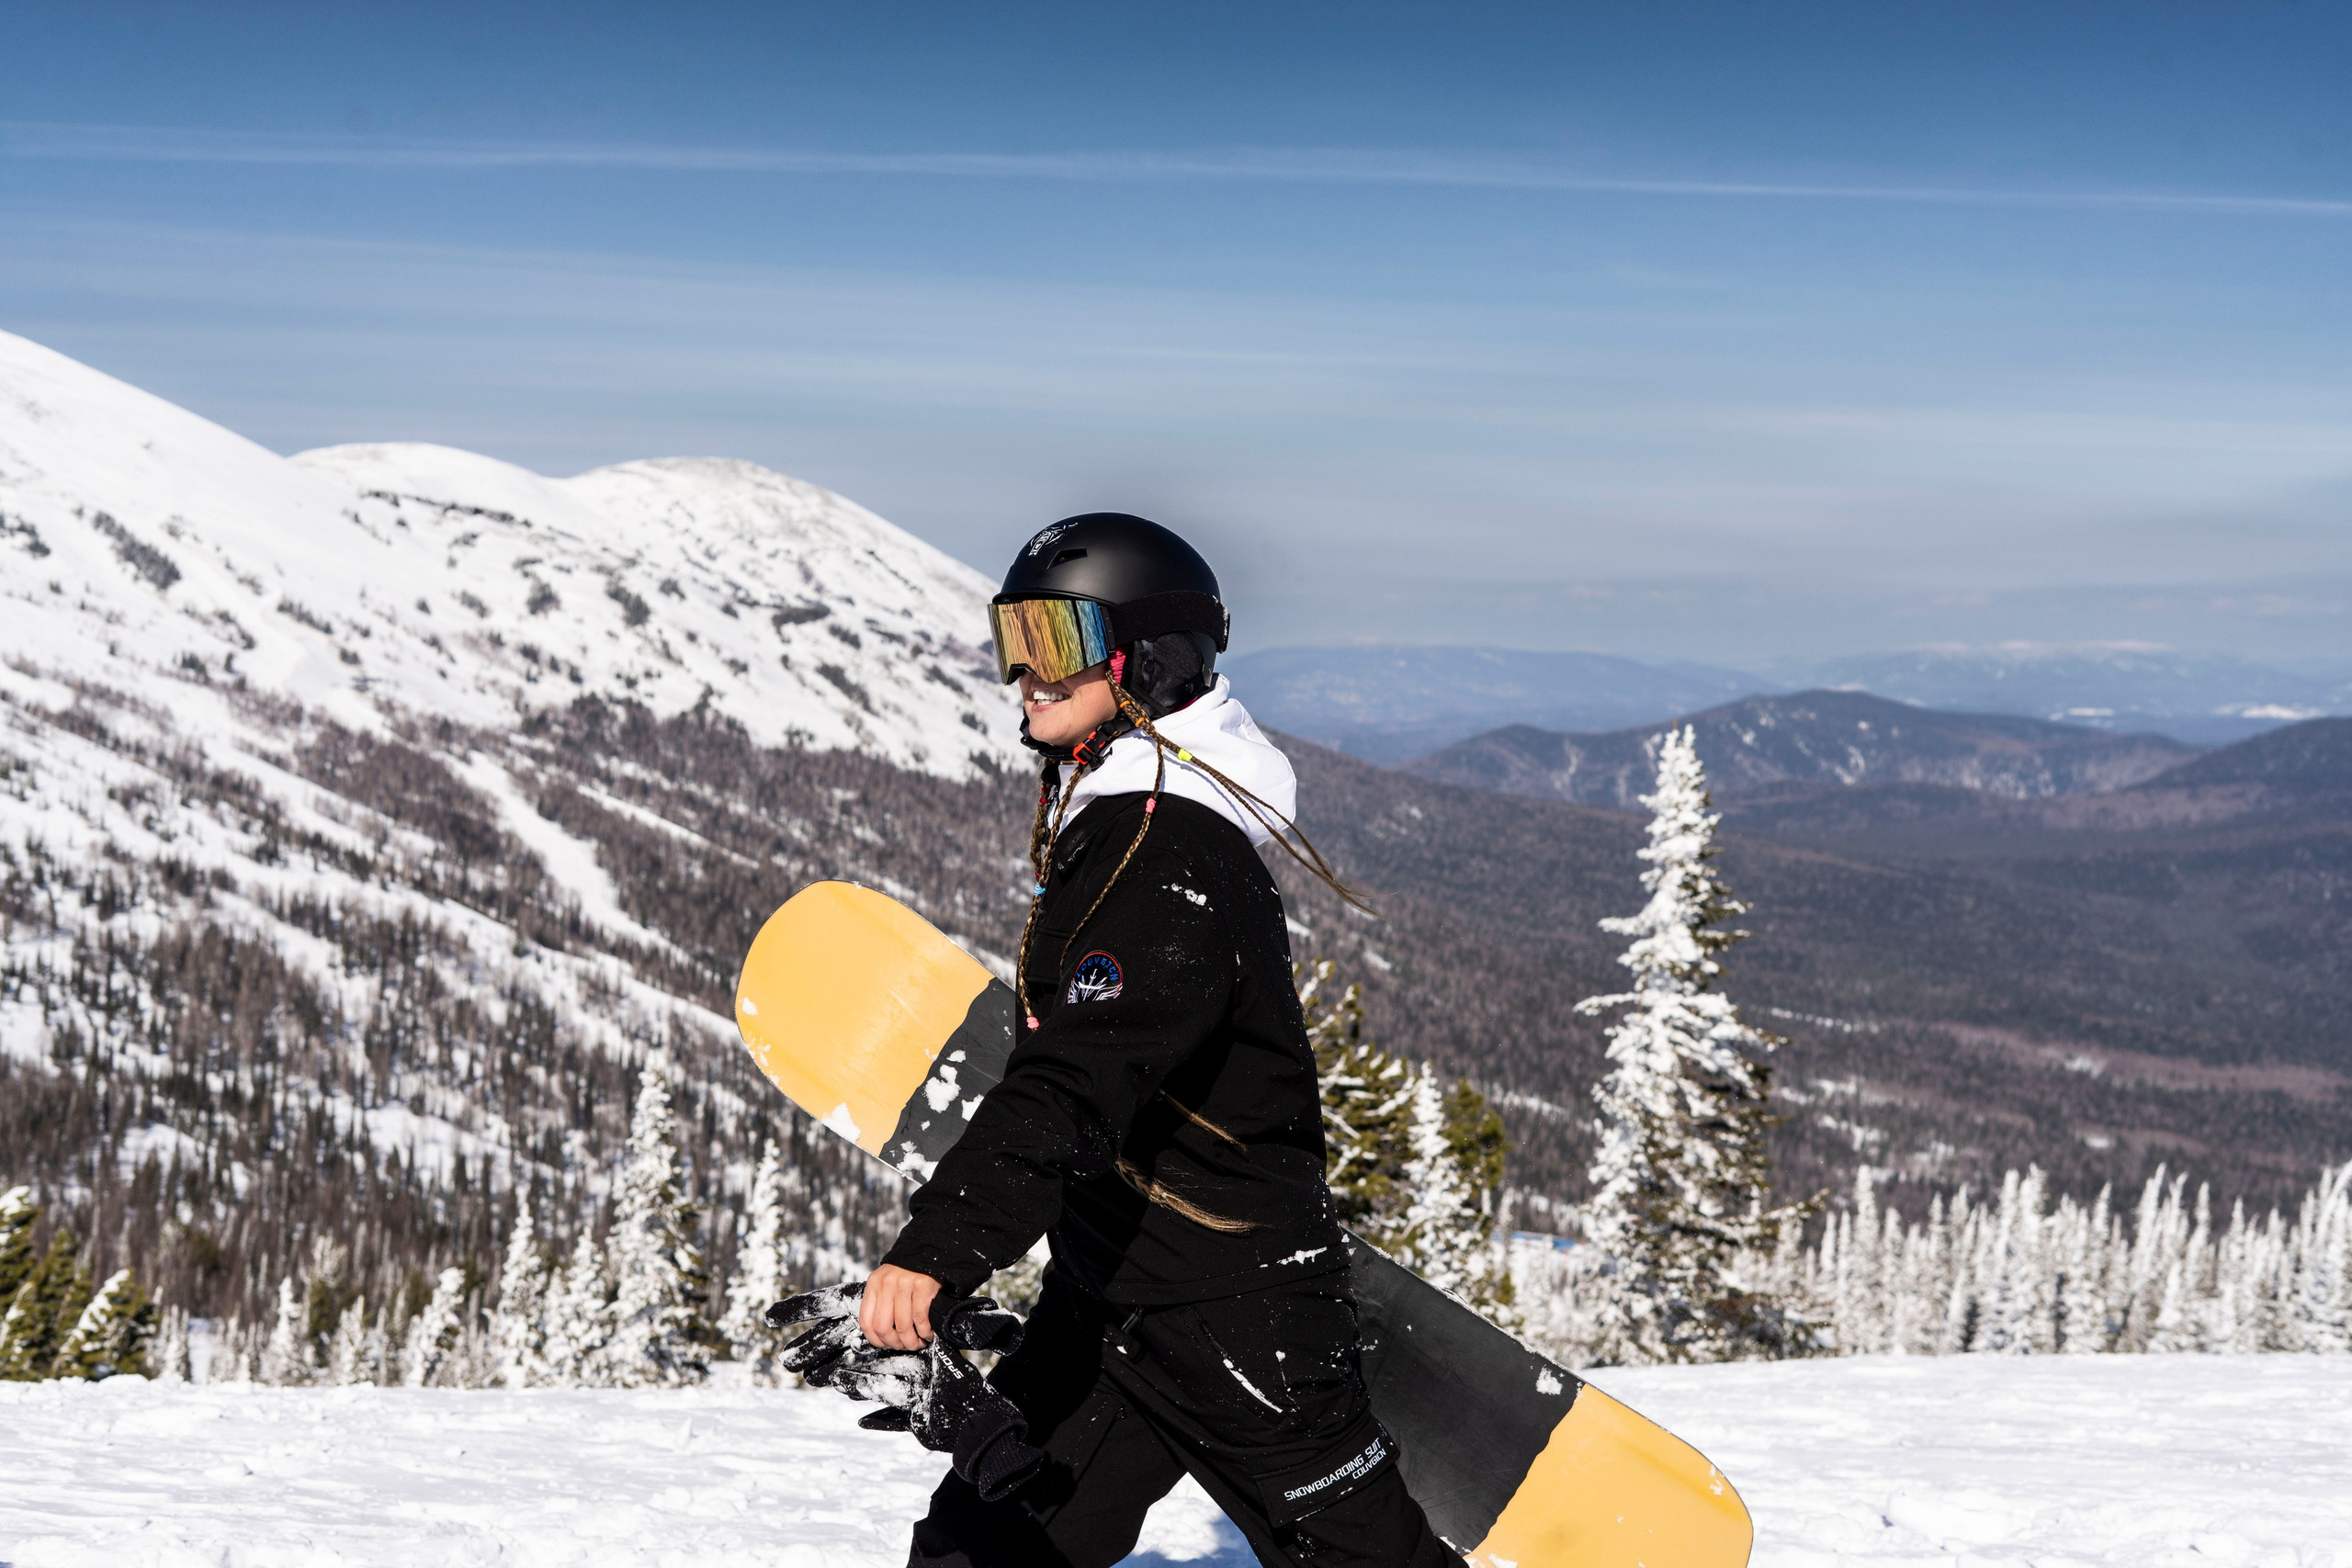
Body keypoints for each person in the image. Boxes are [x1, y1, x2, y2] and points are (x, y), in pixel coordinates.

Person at [847, 513, 1454, 1567]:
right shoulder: (1129, 816)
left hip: (1236, 1311)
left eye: (1059, 642)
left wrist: (938, 1251)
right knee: (985, 1549)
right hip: (1113, 1292)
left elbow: (1073, 1081)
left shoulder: (1164, 848)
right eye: (1016, 639)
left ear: (1148, 659)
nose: (1028, 676)